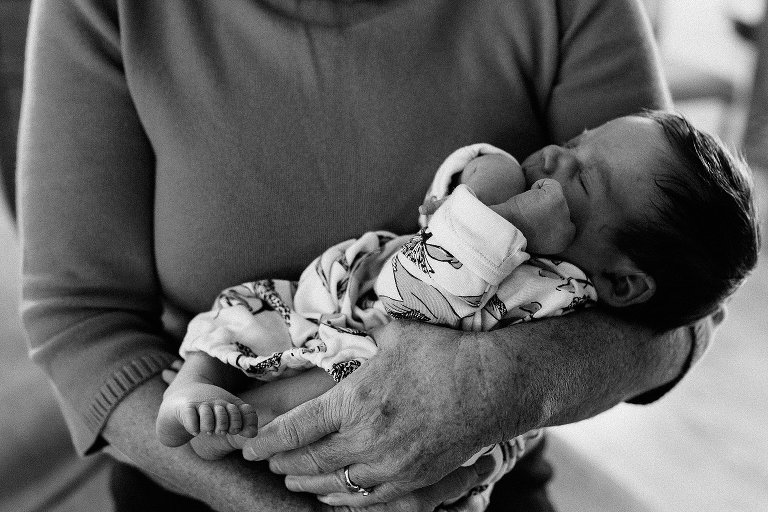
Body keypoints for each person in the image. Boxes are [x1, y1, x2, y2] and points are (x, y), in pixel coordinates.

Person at [17, 1, 721, 510]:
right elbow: (80, 327)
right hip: (208, 482)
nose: (561, 159)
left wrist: (507, 384)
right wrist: (284, 496)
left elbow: (687, 308)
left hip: (462, 479)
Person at [154, 111, 758, 510]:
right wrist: (503, 205)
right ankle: (193, 393)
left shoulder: (563, 301)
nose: (552, 158)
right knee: (242, 315)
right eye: (574, 144)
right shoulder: (507, 203)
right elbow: (431, 236)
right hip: (322, 315)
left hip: (372, 401)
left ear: (622, 284)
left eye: (584, 183)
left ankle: (236, 431)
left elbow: (690, 328)